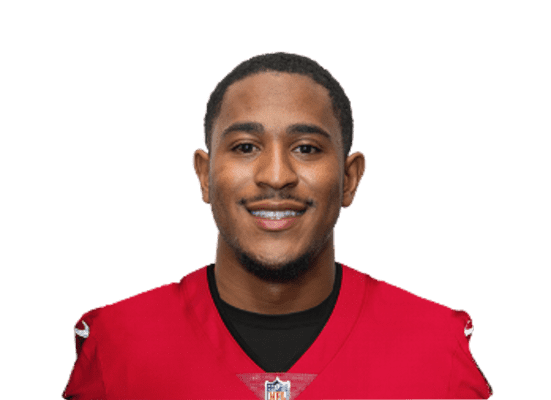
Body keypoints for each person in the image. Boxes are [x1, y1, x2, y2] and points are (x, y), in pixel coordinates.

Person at [62, 52, 493, 399]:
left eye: (306, 148)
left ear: (349, 179)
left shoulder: (436, 348)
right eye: (245, 147)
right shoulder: (118, 344)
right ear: (204, 176)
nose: (275, 175)